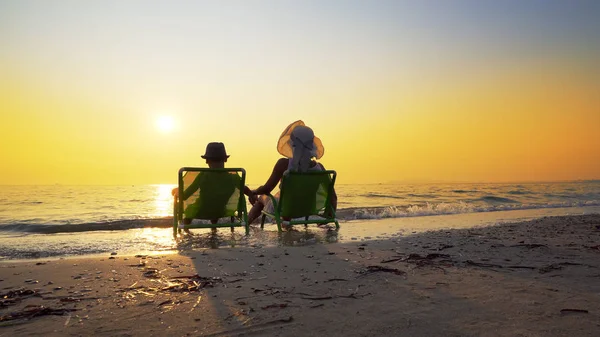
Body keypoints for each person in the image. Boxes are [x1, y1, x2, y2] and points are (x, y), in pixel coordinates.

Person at [247, 120, 337, 224]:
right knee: (288, 199)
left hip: (285, 209)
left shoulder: (283, 164)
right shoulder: (320, 168)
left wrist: (253, 192)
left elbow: (267, 189)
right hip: (308, 209)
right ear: (312, 144)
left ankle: (247, 225)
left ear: (291, 143)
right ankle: (287, 227)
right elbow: (332, 197)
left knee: (262, 198)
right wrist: (328, 217)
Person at [172, 142, 253, 232]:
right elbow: (244, 190)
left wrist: (177, 191)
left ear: (207, 161)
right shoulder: (233, 177)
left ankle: (186, 230)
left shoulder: (203, 176)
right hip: (220, 212)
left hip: (200, 211)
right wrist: (252, 195)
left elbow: (185, 196)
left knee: (191, 209)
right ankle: (214, 229)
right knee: (218, 201)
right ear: (225, 160)